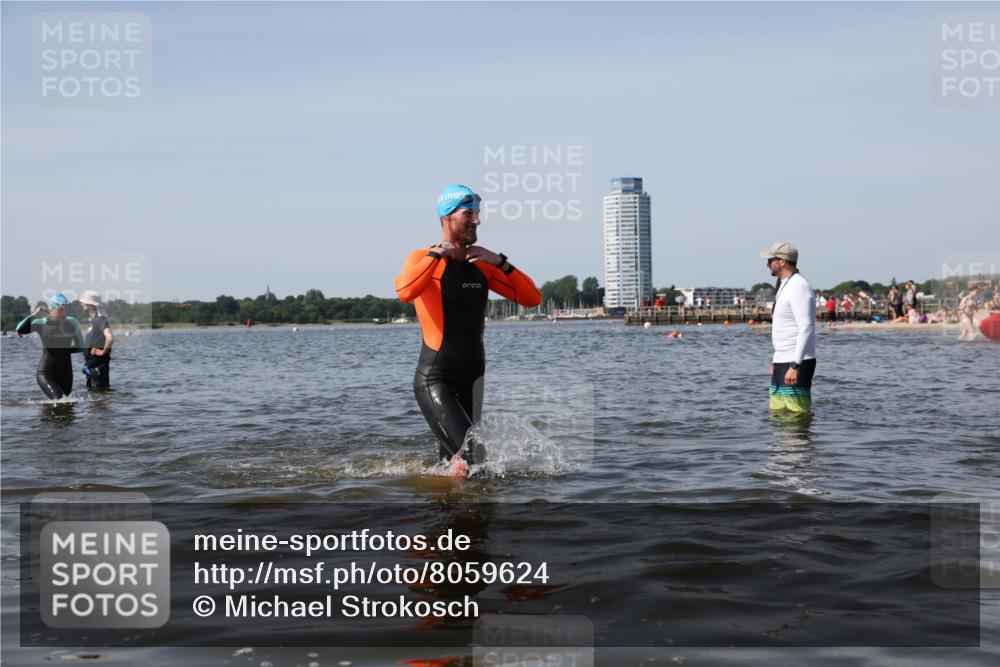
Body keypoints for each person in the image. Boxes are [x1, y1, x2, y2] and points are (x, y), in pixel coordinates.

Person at [395, 184, 542, 466]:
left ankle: (449, 507)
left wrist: (500, 262)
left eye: (477, 213)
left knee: (453, 466)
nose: (477, 220)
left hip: (473, 379)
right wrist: (437, 254)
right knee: (475, 457)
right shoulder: (422, 260)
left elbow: (532, 298)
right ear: (446, 216)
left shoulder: (482, 265)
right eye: (468, 213)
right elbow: (406, 291)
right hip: (436, 379)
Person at [759, 242, 816, 413]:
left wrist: (794, 365)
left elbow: (806, 327)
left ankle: (800, 440)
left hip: (796, 361)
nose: (767, 264)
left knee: (796, 415)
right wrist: (777, 358)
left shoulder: (799, 286)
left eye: (770, 260)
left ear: (782, 261)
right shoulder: (785, 284)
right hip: (782, 360)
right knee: (778, 414)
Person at [15, 293, 85, 399]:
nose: (64, 312)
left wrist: (63, 351)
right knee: (59, 399)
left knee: (67, 406)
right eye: (61, 309)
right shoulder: (42, 323)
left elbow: (80, 346)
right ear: (52, 309)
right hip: (46, 372)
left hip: (66, 373)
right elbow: (20, 329)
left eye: (66, 309)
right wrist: (34, 314)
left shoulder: (72, 323)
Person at [79, 290, 114, 390]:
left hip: (99, 368)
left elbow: (110, 338)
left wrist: (103, 352)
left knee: (100, 398)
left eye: (84, 302)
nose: (82, 304)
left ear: (91, 305)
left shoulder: (101, 320)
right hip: (91, 368)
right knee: (95, 399)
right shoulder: (93, 321)